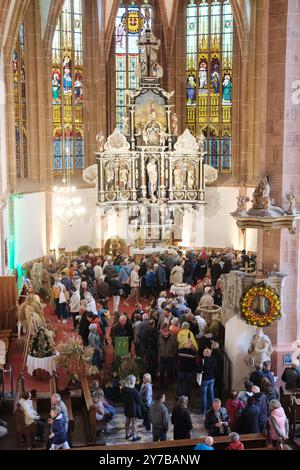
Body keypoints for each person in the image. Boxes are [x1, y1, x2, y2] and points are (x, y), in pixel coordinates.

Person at [122, 375, 142, 442]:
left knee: (127, 421)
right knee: (134, 423)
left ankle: (127, 435)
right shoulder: (134, 391)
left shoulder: (124, 389)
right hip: (134, 409)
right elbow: (139, 401)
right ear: (132, 381)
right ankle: (134, 436)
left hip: (127, 408)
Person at [199, 348, 217, 414]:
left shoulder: (202, 360)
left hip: (204, 380)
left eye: (203, 352)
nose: (203, 353)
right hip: (211, 379)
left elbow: (199, 370)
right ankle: (213, 408)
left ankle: (204, 410)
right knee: (211, 393)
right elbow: (216, 369)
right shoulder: (213, 360)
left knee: (204, 395)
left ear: (205, 353)